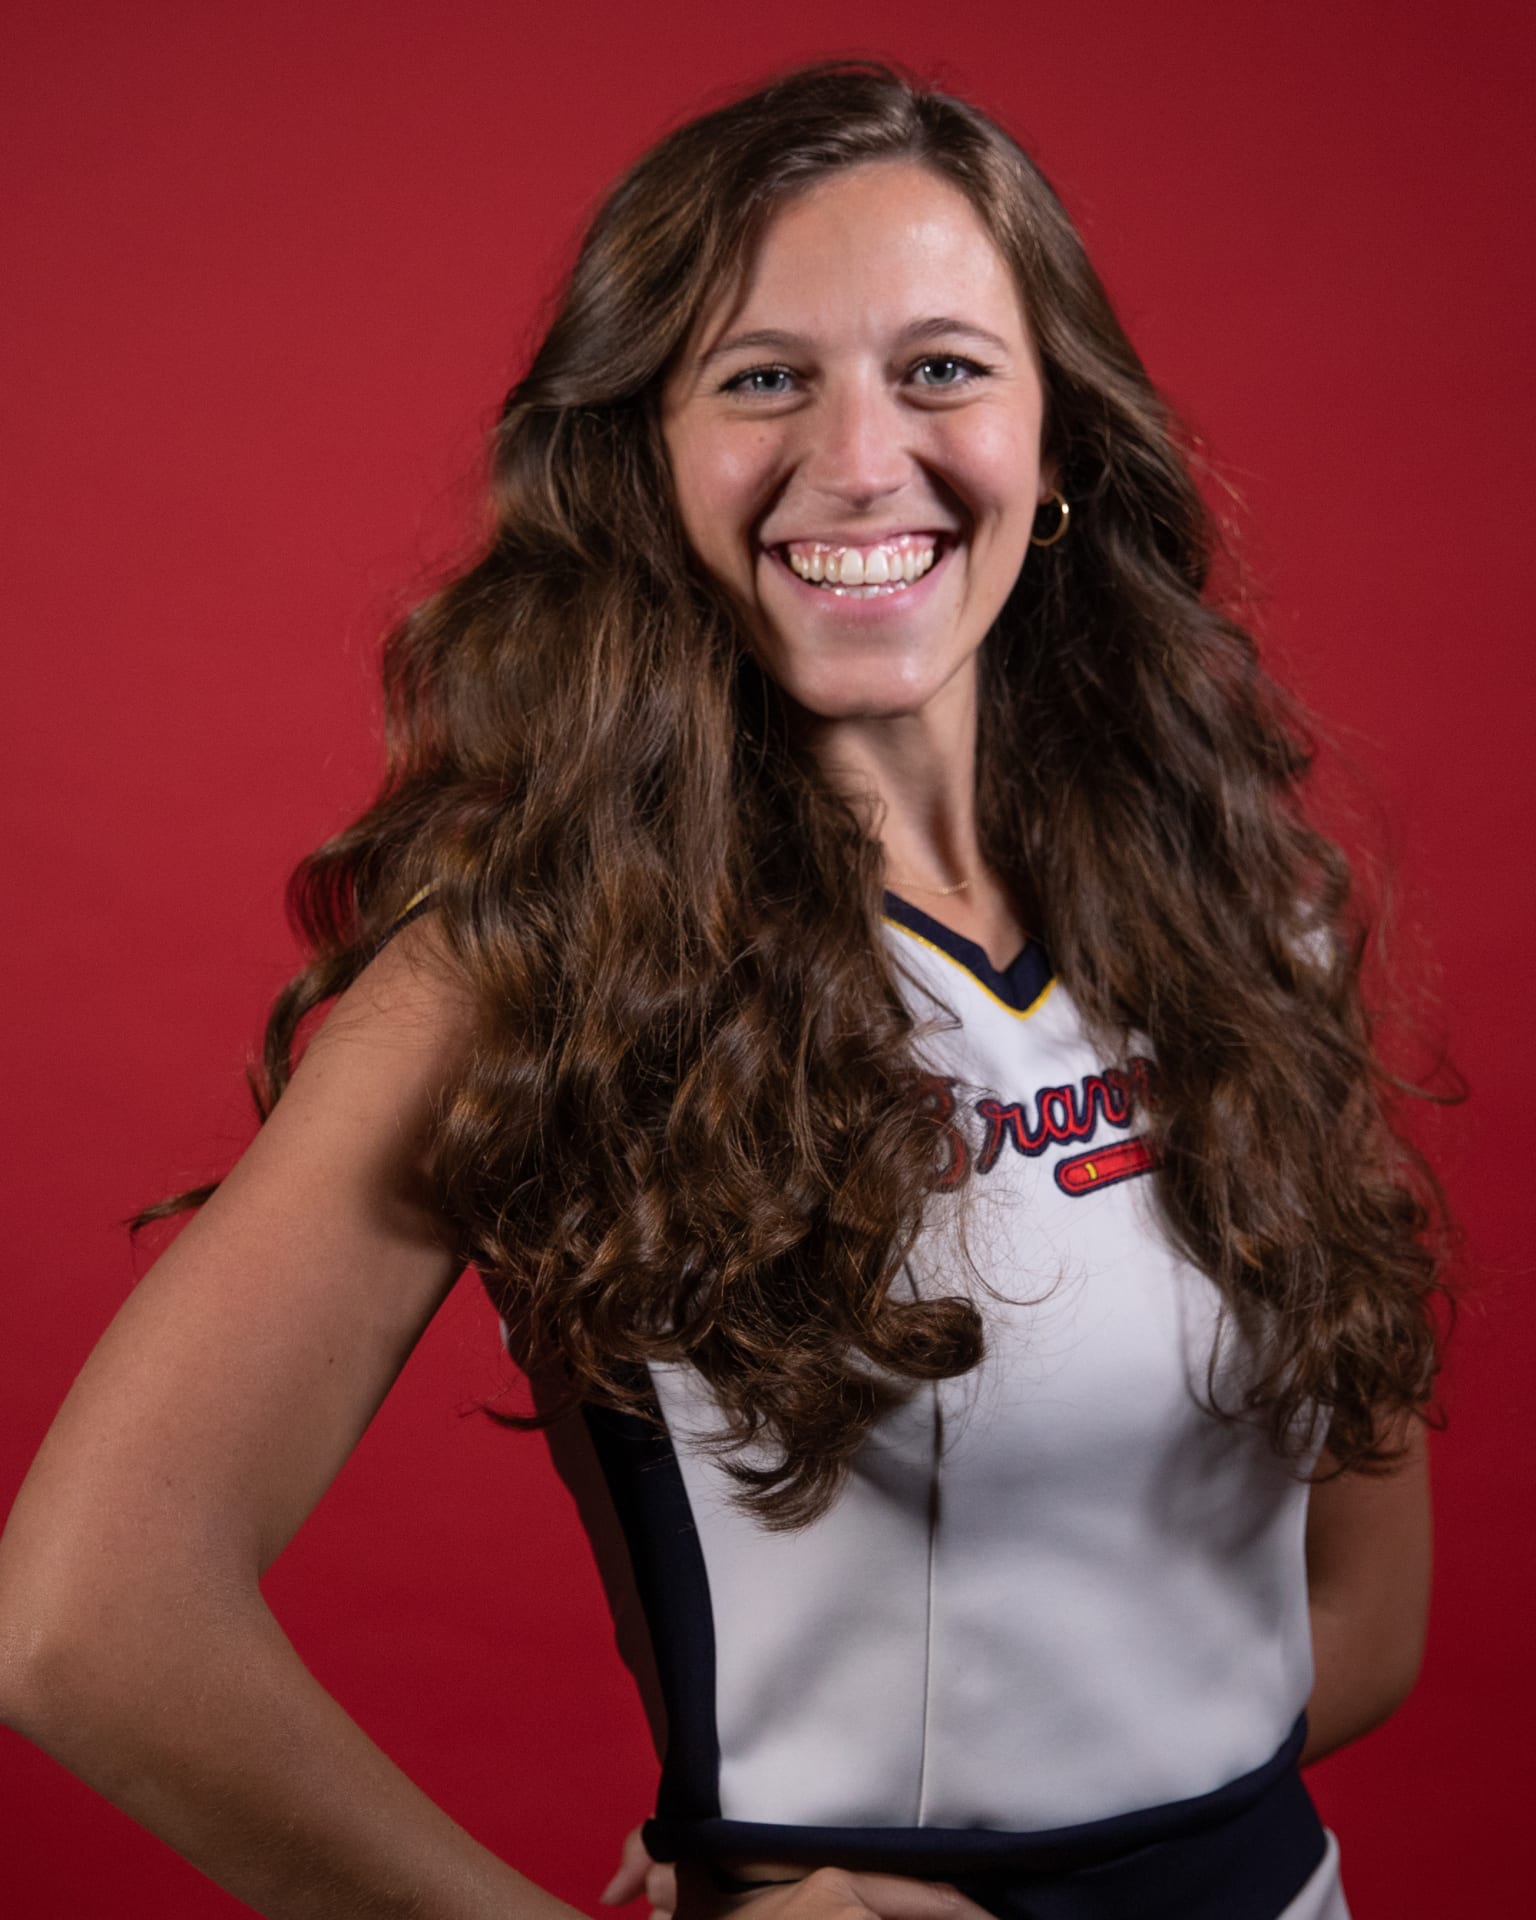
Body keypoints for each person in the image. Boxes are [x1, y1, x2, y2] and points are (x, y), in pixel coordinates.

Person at [0, 57, 1445, 1920]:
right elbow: (88, 1618)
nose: (860, 460)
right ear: (646, 462)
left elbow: (1366, 1618)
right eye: (763, 377)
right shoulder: (539, 970)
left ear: (1060, 444)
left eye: (942, 368)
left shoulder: (1250, 917)